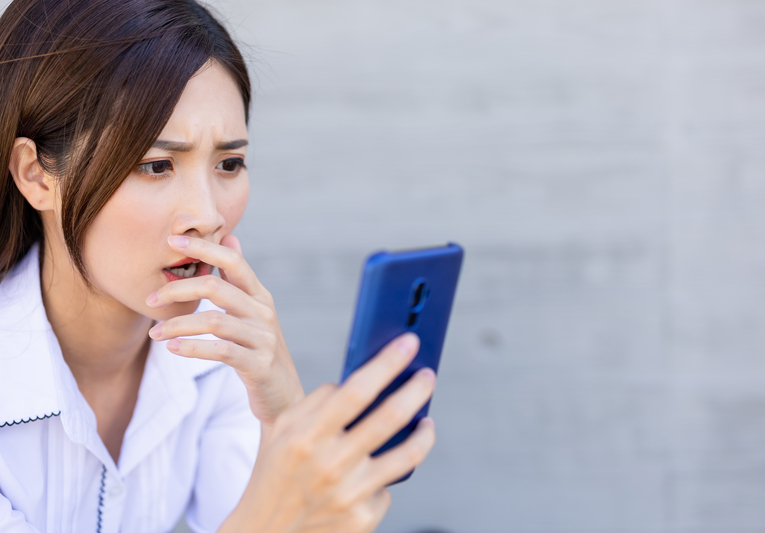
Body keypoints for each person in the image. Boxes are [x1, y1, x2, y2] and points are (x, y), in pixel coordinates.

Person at [0, 1, 437, 532]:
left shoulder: (218, 353)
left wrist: (284, 419)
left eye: (229, 163)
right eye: (155, 165)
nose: (208, 216)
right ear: (36, 175)